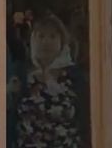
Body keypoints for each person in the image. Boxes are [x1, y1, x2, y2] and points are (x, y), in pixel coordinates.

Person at [16, 15, 89, 148]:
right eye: (41, 36)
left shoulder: (75, 77)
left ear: (62, 42)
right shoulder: (21, 75)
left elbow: (85, 120)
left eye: (52, 37)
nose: (46, 42)